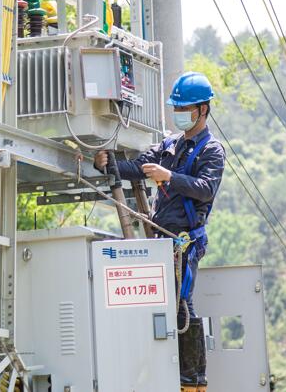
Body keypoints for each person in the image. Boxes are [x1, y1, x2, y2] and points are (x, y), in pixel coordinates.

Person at [94, 72, 225, 392]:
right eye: (177, 108)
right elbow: (137, 167)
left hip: (185, 240)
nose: (179, 114)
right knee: (161, 303)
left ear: (203, 110)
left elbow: (206, 189)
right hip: (160, 239)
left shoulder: (211, 150)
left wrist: (169, 177)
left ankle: (193, 381)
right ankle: (166, 372)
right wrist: (107, 164)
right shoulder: (169, 144)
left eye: (185, 109)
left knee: (182, 302)